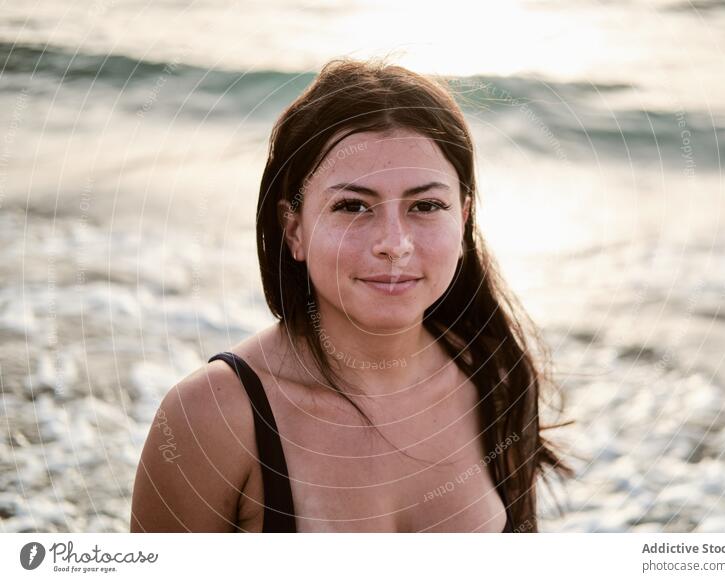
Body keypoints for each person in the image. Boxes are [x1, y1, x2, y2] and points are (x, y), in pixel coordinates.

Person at [130, 57, 572, 533]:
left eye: (426, 205)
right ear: (294, 228)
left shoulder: (493, 375)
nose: (394, 243)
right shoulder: (212, 417)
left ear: (463, 220)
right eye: (353, 206)